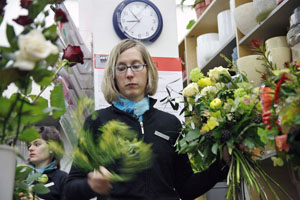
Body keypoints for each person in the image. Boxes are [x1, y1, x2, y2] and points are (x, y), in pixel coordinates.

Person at [65, 39, 229, 200]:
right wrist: (90, 186)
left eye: (136, 66)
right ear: (113, 76)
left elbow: (185, 188)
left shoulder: (170, 124)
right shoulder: (97, 121)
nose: (129, 74)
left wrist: (222, 164)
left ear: (148, 71)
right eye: (121, 68)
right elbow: (69, 189)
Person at [20, 126, 68, 200]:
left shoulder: (63, 179)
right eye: (29, 145)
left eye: (37, 144)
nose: (30, 148)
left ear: (52, 148)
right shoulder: (20, 177)